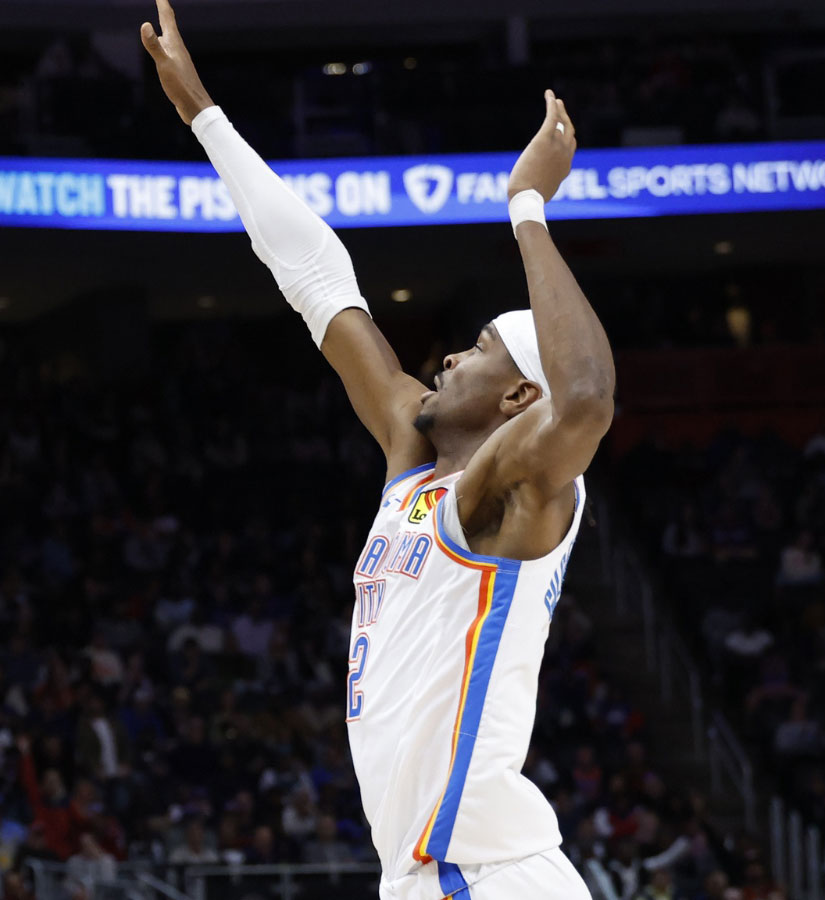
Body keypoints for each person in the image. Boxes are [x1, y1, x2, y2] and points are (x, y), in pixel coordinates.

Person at [141, 4, 614, 899]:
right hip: (431, 874)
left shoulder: (509, 495)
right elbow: (317, 276)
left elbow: (585, 399)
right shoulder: (413, 456)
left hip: (483, 875)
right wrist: (202, 113)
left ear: (520, 398)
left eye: (479, 349)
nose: (449, 357)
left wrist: (527, 208)